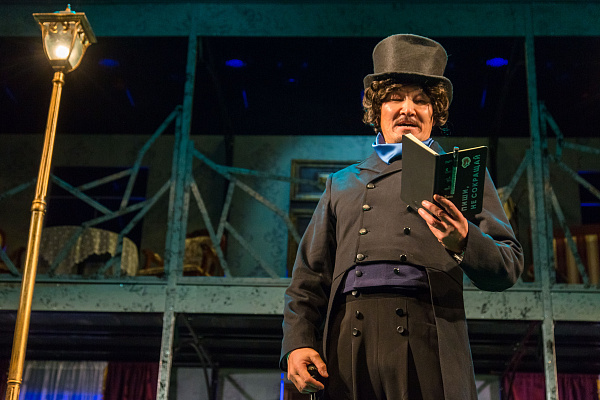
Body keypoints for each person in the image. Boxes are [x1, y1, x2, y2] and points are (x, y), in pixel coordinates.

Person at [280, 34, 524, 400]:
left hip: (428, 340)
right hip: (348, 344)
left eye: (421, 100)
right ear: (376, 110)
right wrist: (298, 343)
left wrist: (464, 241)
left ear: (434, 113)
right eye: (395, 97)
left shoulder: (461, 173)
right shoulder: (341, 184)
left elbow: (509, 264)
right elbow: (307, 279)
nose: (408, 108)